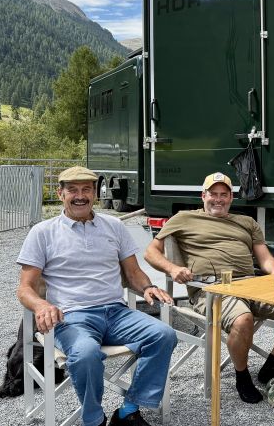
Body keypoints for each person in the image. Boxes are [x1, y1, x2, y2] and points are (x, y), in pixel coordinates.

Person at [17, 167, 177, 426]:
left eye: (87, 190)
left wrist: (147, 287)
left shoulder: (114, 226)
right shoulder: (43, 232)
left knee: (164, 335)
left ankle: (128, 410)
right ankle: (93, 419)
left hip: (116, 312)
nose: (80, 196)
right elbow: (25, 288)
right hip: (71, 317)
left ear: (95, 194)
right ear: (61, 194)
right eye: (73, 190)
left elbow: (133, 272)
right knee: (86, 354)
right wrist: (41, 304)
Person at [144, 172, 274, 414]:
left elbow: (265, 259)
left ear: (231, 198)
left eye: (224, 194)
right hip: (212, 289)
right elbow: (151, 252)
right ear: (203, 196)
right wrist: (172, 268)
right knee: (243, 320)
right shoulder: (183, 218)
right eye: (213, 194)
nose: (218, 199)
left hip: (251, 285)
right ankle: (242, 376)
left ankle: (270, 367)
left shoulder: (247, 222)